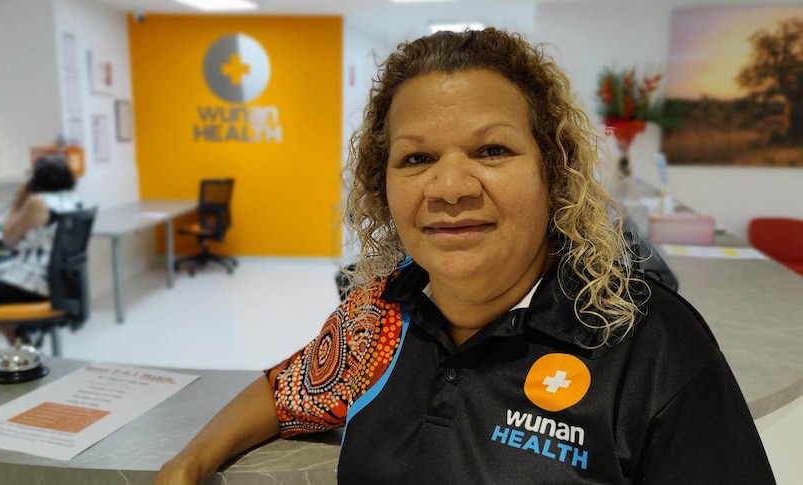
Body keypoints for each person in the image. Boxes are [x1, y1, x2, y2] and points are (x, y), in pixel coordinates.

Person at [155, 28, 775, 484]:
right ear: (385, 186)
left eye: (492, 151)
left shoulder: (650, 345)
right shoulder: (377, 314)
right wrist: (188, 464)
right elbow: (287, 390)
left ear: (553, 173)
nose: (450, 188)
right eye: (417, 158)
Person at [0, 155, 81, 348]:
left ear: (36, 179)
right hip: (61, 285)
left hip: (34, 286)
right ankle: (25, 358)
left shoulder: (38, 202)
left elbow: (8, 237)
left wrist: (20, 198)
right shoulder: (74, 200)